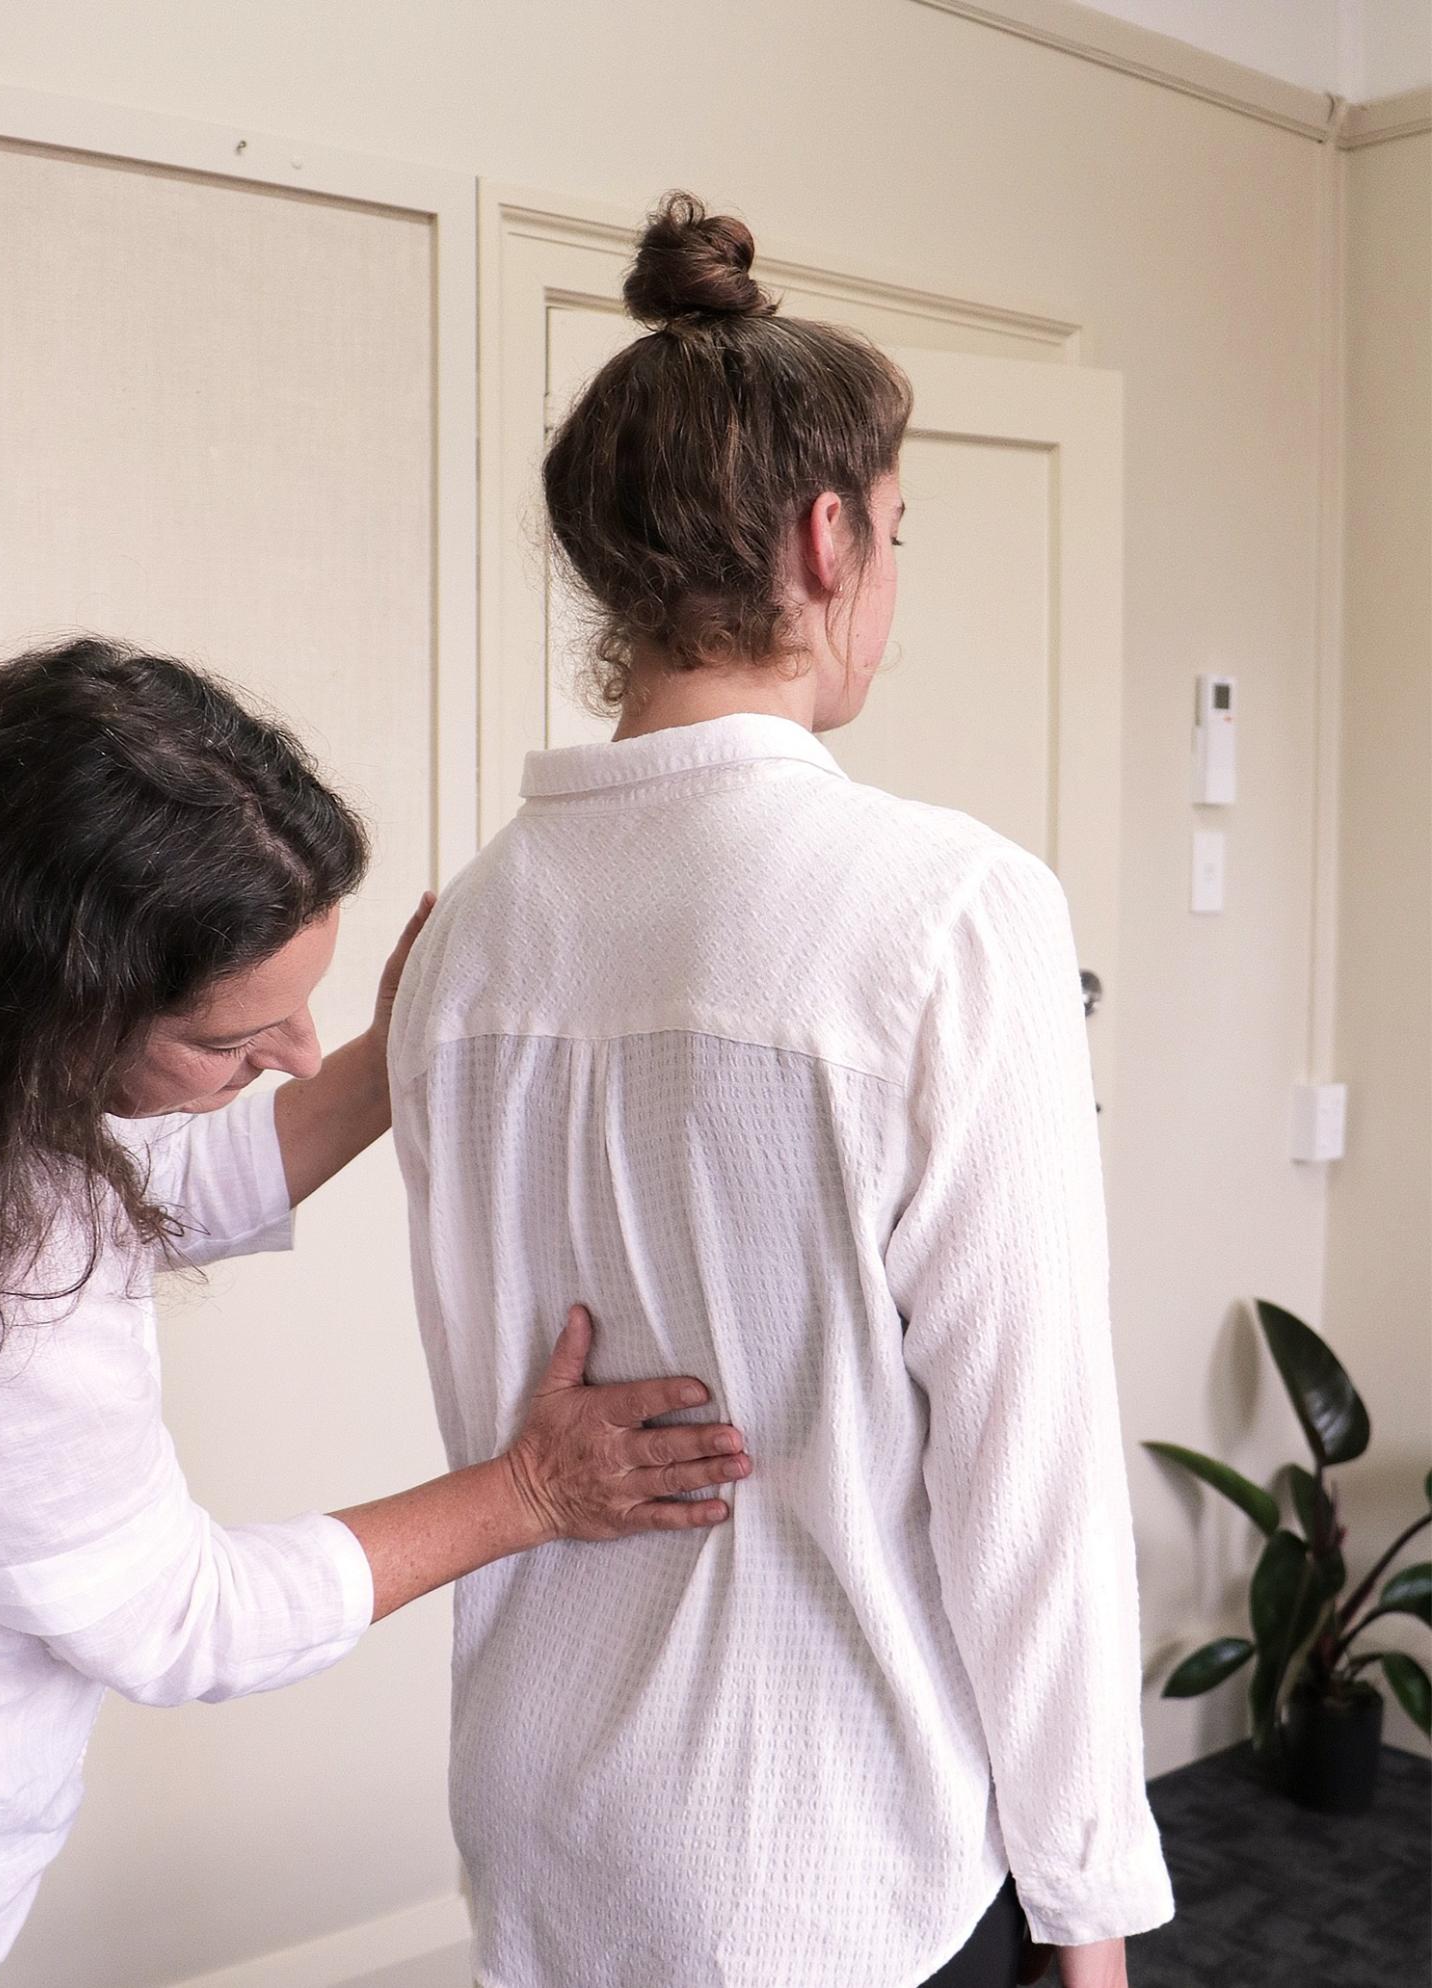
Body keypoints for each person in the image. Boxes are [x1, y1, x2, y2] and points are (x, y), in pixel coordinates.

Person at [0, 638, 752, 1987]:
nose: (288, 1051)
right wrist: (529, 1493)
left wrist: (374, 1068)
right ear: (56, 1007)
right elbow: (188, 1617)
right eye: (233, 1041)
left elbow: (130, 1182)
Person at [388, 195, 1175, 1988]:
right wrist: (1089, 1913)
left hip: (542, 1810)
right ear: (828, 540)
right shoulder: (956, 913)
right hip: (825, 1853)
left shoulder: (466, 934)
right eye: (898, 530)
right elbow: (1027, 1467)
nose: (894, 576)